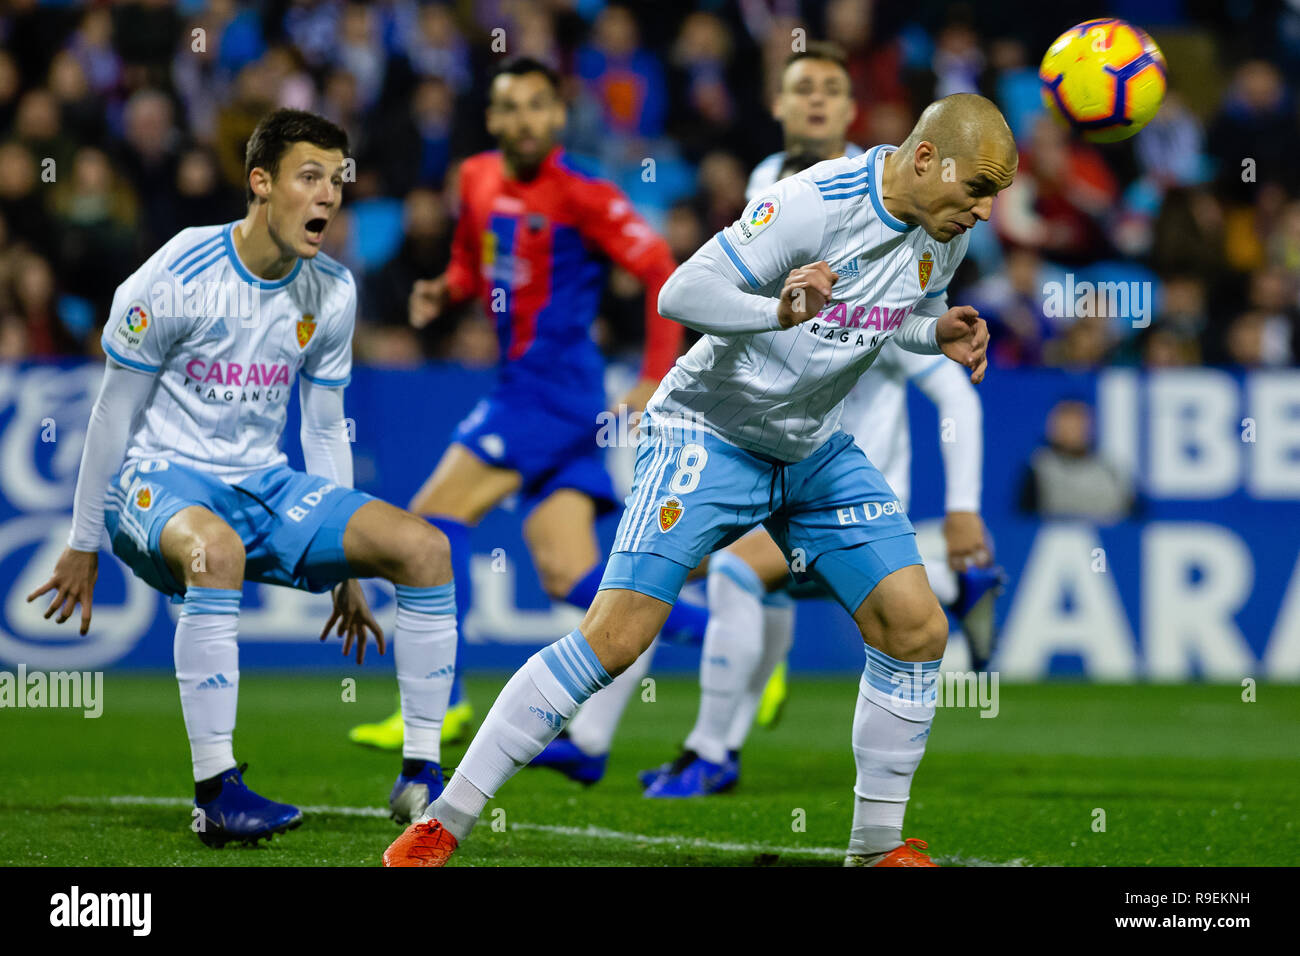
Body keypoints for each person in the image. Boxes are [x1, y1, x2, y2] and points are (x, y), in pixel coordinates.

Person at [384, 92, 1017, 867]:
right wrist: (776, 311)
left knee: (918, 628)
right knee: (614, 639)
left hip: (813, 447)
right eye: (979, 188)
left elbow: (896, 311)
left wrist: (933, 332)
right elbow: (678, 292)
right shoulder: (812, 201)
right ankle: (442, 822)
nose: (985, 212)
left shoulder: (940, 230)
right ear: (926, 158)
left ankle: (876, 848)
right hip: (708, 433)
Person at [532, 46, 999, 795]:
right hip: (752, 439)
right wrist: (774, 318)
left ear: (856, 115)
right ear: (776, 106)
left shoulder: (920, 213)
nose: (815, 102)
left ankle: (717, 747)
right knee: (698, 593)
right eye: (800, 89)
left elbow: (916, 345)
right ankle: (625, 737)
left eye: (832, 90)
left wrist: (963, 491)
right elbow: (709, 298)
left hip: (831, 459)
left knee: (739, 580)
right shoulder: (781, 195)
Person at [27, 109, 461, 847]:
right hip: (160, 483)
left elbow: (324, 427)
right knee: (216, 552)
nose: (328, 196)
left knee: (424, 549)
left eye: (337, 180)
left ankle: (421, 773)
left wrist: (345, 569)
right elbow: (112, 414)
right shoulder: (175, 274)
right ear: (260, 183)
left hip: (264, 484)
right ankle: (217, 794)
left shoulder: (332, 290)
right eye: (309, 177)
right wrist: (83, 540)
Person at [345, 57, 705, 798]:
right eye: (511, 107)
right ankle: (707, 626)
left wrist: (651, 376)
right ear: (495, 118)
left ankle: (443, 706)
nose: (525, 120)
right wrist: (444, 289)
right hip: (525, 389)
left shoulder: (583, 191)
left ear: (556, 115)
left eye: (540, 106)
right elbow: (478, 262)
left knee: (430, 525)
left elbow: (662, 267)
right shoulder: (476, 178)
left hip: (553, 393)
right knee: (568, 576)